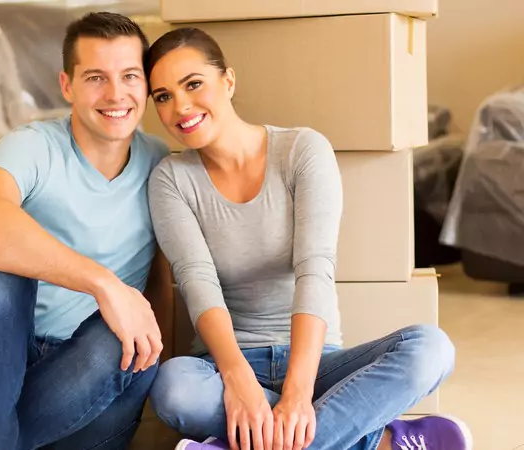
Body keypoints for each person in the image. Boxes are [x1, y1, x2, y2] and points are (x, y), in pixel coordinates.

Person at [143, 28, 473, 450]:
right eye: (163, 96)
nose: (180, 107)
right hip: (228, 366)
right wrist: (238, 380)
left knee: (432, 349)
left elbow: (315, 269)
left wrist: (299, 394)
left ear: (228, 80)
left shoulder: (302, 150)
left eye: (193, 84)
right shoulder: (170, 180)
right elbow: (197, 282)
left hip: (318, 363)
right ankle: (381, 440)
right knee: (174, 387)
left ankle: (242, 443)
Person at [0, 12, 172, 450]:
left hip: (95, 387)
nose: (115, 94)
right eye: (95, 78)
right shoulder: (32, 145)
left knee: (123, 331)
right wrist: (103, 283)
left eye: (129, 76)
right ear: (67, 85)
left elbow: (161, 291)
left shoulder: (161, 163)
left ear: (145, 84)